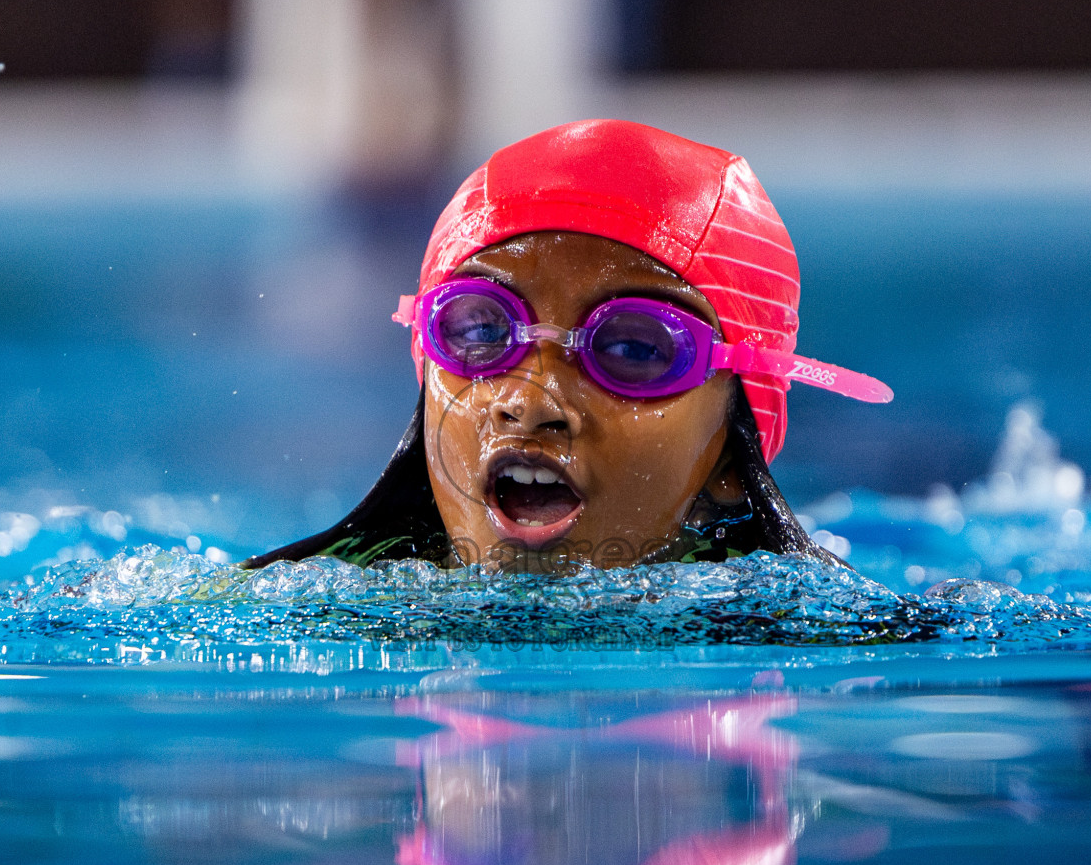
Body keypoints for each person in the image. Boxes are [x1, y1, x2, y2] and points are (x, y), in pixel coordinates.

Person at [245, 119, 890, 573]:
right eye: (480, 331)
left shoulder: (800, 632)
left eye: (633, 351)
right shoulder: (292, 609)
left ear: (728, 460)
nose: (531, 404)